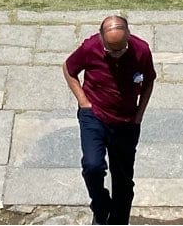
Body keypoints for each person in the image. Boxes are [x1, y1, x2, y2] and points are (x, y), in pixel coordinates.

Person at [64, 14, 156, 224]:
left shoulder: (141, 50)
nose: (116, 55)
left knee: (123, 180)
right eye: (110, 51)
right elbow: (69, 69)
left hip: (126, 122)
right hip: (95, 116)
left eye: (120, 50)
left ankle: (118, 220)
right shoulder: (90, 48)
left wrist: (139, 115)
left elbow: (149, 81)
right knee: (92, 165)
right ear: (102, 40)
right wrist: (83, 102)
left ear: (129, 38)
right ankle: (101, 204)